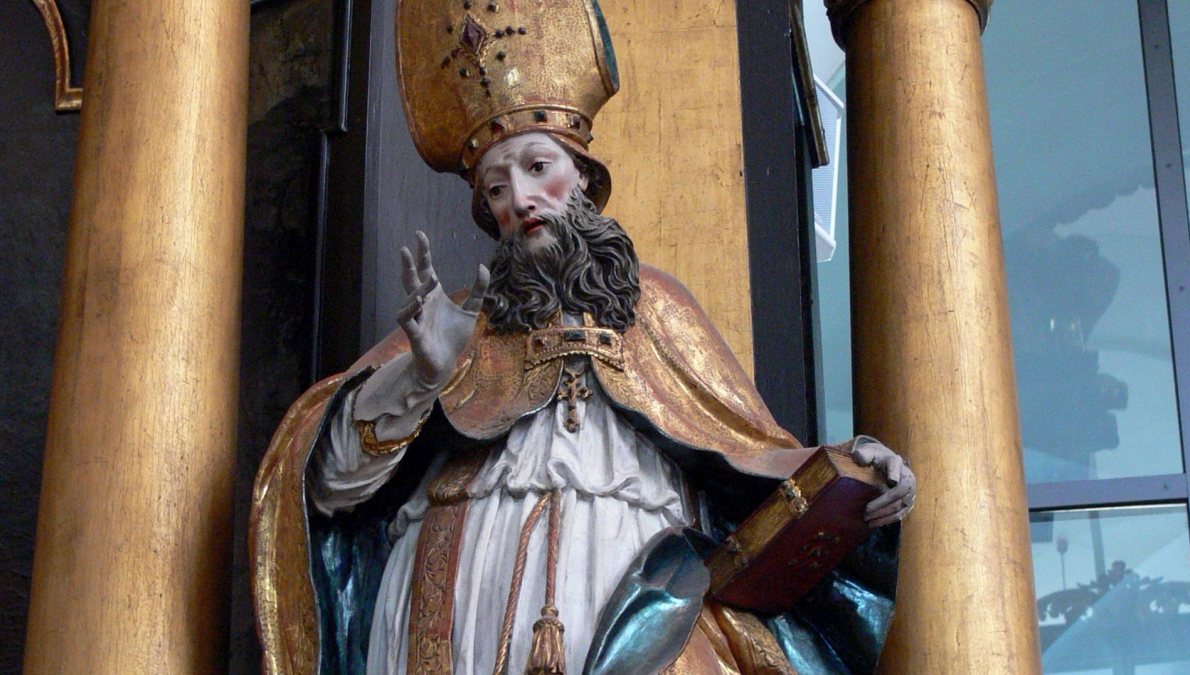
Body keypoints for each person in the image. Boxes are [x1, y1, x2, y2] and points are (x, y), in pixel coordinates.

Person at [250, 2, 914, 673]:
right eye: (497, 186)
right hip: (459, 611)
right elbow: (329, 486)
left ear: (583, 179)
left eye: (538, 167)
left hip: (642, 604)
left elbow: (750, 451)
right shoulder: (459, 325)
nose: (521, 198)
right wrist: (422, 376)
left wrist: (858, 464)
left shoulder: (657, 308)